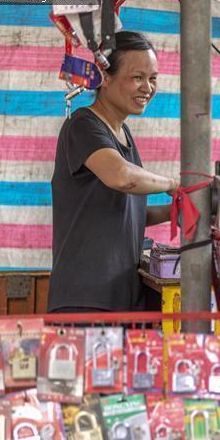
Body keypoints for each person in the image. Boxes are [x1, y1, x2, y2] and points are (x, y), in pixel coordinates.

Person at [48, 31, 179, 313]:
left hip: (121, 299)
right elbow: (122, 177)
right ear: (104, 77)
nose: (148, 88)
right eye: (137, 77)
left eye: (153, 78)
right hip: (85, 300)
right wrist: (173, 184)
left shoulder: (123, 134)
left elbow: (127, 215)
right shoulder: (83, 125)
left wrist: (175, 210)